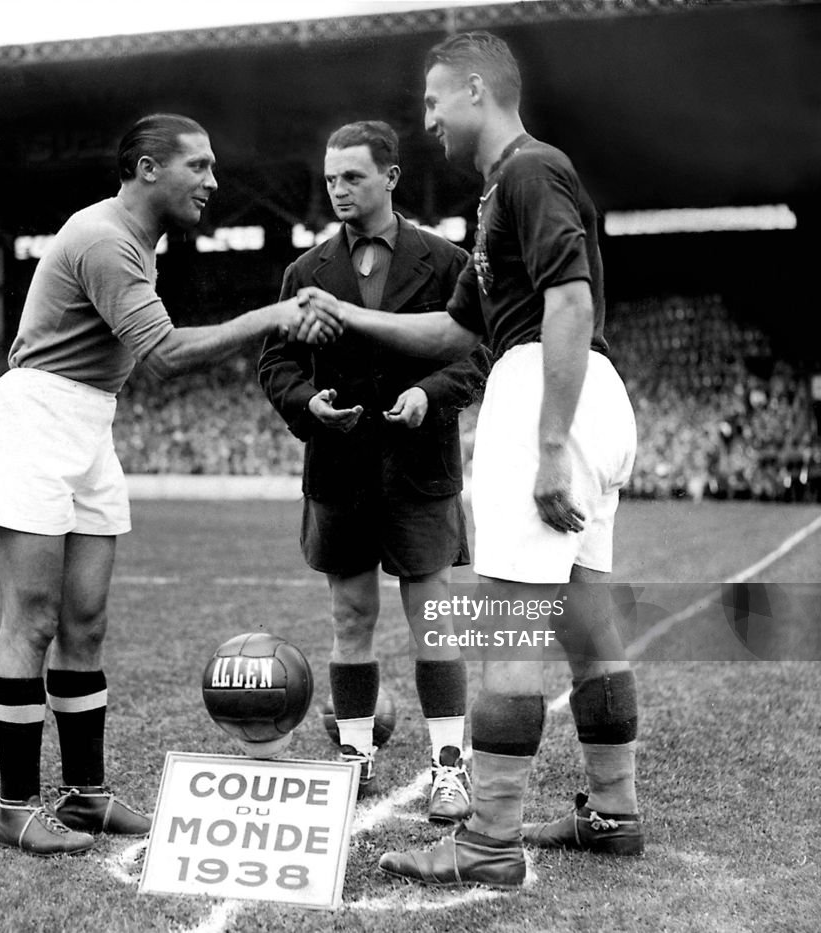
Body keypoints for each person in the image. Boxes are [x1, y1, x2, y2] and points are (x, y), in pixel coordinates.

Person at [302, 33, 643, 888]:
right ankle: (614, 811)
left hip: (547, 390)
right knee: (589, 624)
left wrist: (549, 442)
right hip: (583, 387)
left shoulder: (530, 171)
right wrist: (348, 313)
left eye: (434, 100)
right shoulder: (498, 197)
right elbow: (451, 331)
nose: (426, 120)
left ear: (479, 89)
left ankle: (487, 840)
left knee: (508, 632)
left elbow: (571, 298)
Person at [0, 113, 335, 857]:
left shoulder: (137, 242)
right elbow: (164, 354)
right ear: (145, 169)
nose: (213, 181)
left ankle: (86, 794)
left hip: (89, 421)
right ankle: (14, 806)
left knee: (86, 622)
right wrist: (275, 317)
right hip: (36, 418)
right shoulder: (105, 238)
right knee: (31, 620)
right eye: (197, 166)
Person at [258, 121, 489, 821]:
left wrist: (429, 395)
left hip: (421, 468)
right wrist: (309, 403)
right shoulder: (305, 274)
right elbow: (275, 364)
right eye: (331, 179)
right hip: (340, 469)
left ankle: (450, 765)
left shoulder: (446, 261)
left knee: (433, 619)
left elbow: (474, 359)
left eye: (353, 177)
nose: (339, 189)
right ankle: (354, 757)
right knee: (350, 613)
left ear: (390, 177)